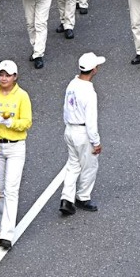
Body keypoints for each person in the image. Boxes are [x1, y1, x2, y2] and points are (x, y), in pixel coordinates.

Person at [0, 59, 32, 250]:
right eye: (1, 74)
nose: (4, 78)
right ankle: (0, 226)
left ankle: (7, 233)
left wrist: (10, 123)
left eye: (7, 75)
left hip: (15, 146)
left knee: (11, 189)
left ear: (15, 77)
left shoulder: (22, 96)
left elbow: (27, 122)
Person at [59, 52, 104, 216]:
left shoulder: (72, 84)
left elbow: (65, 108)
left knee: (73, 164)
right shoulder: (89, 92)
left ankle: (66, 198)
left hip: (70, 128)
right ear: (94, 69)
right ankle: (83, 197)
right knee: (89, 166)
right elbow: (91, 121)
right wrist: (96, 142)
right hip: (82, 132)